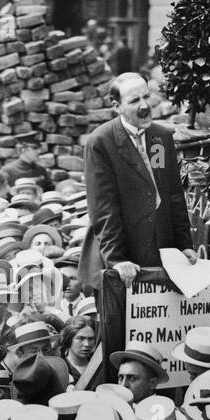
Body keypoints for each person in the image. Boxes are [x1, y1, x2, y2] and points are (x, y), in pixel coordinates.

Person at [81, 72, 196, 288]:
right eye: (134, 101)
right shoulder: (100, 142)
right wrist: (116, 259)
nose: (145, 106)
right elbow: (103, 208)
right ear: (117, 106)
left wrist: (184, 245)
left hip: (160, 255)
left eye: (146, 97)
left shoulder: (160, 138)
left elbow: (171, 193)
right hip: (121, 260)